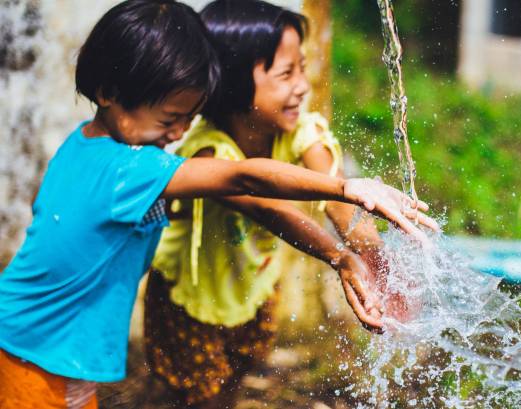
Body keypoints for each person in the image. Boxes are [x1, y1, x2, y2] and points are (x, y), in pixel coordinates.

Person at [0, 1, 433, 408]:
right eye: (170, 119)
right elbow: (244, 176)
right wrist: (346, 189)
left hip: (47, 344)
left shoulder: (83, 142)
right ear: (109, 91)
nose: (178, 133)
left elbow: (49, 211)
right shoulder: (131, 167)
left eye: (190, 117)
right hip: (36, 349)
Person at [143, 1, 433, 407]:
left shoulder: (298, 130)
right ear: (232, 84)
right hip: (189, 297)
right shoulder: (208, 153)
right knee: (193, 393)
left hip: (255, 284)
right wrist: (337, 256)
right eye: (286, 73)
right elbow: (268, 208)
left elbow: (339, 198)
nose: (302, 85)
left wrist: (373, 255)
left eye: (302, 67)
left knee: (239, 372)